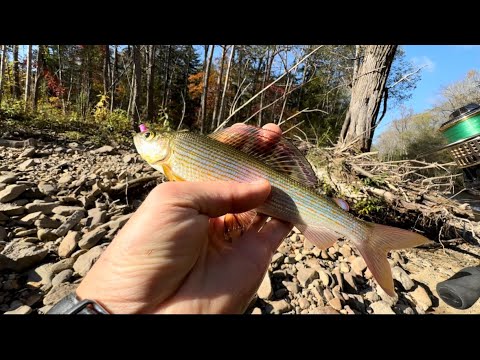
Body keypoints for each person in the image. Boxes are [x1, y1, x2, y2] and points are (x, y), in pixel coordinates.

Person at [73, 123, 293, 314]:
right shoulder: (179, 145)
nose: (143, 137)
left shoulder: (179, 144)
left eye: (149, 136)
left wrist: (105, 306)